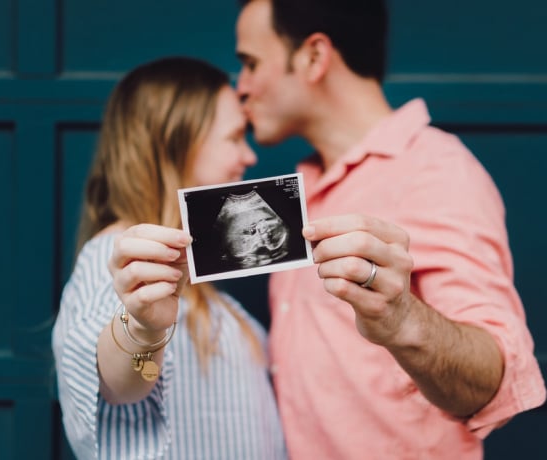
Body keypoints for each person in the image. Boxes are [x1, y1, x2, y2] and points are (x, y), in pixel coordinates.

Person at [234, 0, 546, 458]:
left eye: (251, 63)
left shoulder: (434, 170)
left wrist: (401, 319)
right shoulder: (300, 189)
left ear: (314, 57)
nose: (240, 87)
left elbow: (492, 383)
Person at [52, 56, 287, 460]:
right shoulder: (118, 260)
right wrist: (142, 329)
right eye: (233, 138)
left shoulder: (198, 284)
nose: (249, 157)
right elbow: (117, 383)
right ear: (174, 144)